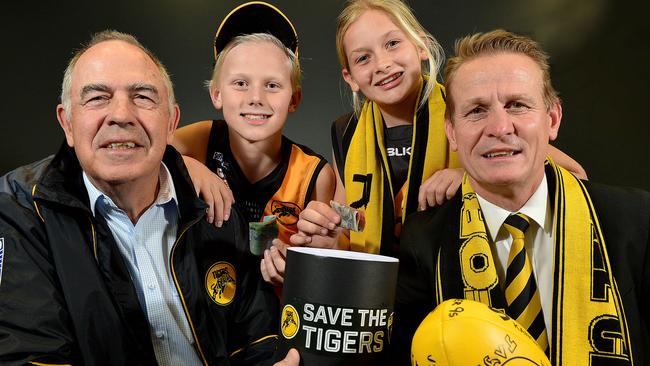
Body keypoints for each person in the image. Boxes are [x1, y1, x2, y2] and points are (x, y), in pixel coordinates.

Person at [0, 30, 284, 365]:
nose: (121, 115)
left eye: (143, 97)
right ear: (68, 124)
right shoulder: (20, 210)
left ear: (171, 123)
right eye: (97, 98)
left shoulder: (214, 204)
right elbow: (32, 357)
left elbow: (258, 341)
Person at [394, 29, 650, 365]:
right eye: (476, 111)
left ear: (552, 119)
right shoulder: (423, 242)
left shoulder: (636, 220)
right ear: (452, 132)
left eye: (517, 105)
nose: (500, 127)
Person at [292, 0, 586, 258]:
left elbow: (574, 175)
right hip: (377, 293)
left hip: (460, 282)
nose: (382, 64)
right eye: (363, 58)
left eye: (392, 43)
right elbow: (350, 224)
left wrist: (470, 177)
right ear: (351, 77)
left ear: (420, 46)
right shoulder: (347, 132)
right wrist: (330, 237)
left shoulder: (468, 110)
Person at [171, 2, 335, 286]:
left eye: (272, 85)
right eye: (241, 83)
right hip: (208, 313)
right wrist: (186, 165)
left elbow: (323, 267)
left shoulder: (315, 175)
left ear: (293, 99)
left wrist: (305, 264)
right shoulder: (200, 141)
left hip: (277, 317)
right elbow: (149, 153)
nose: (256, 97)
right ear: (216, 94)